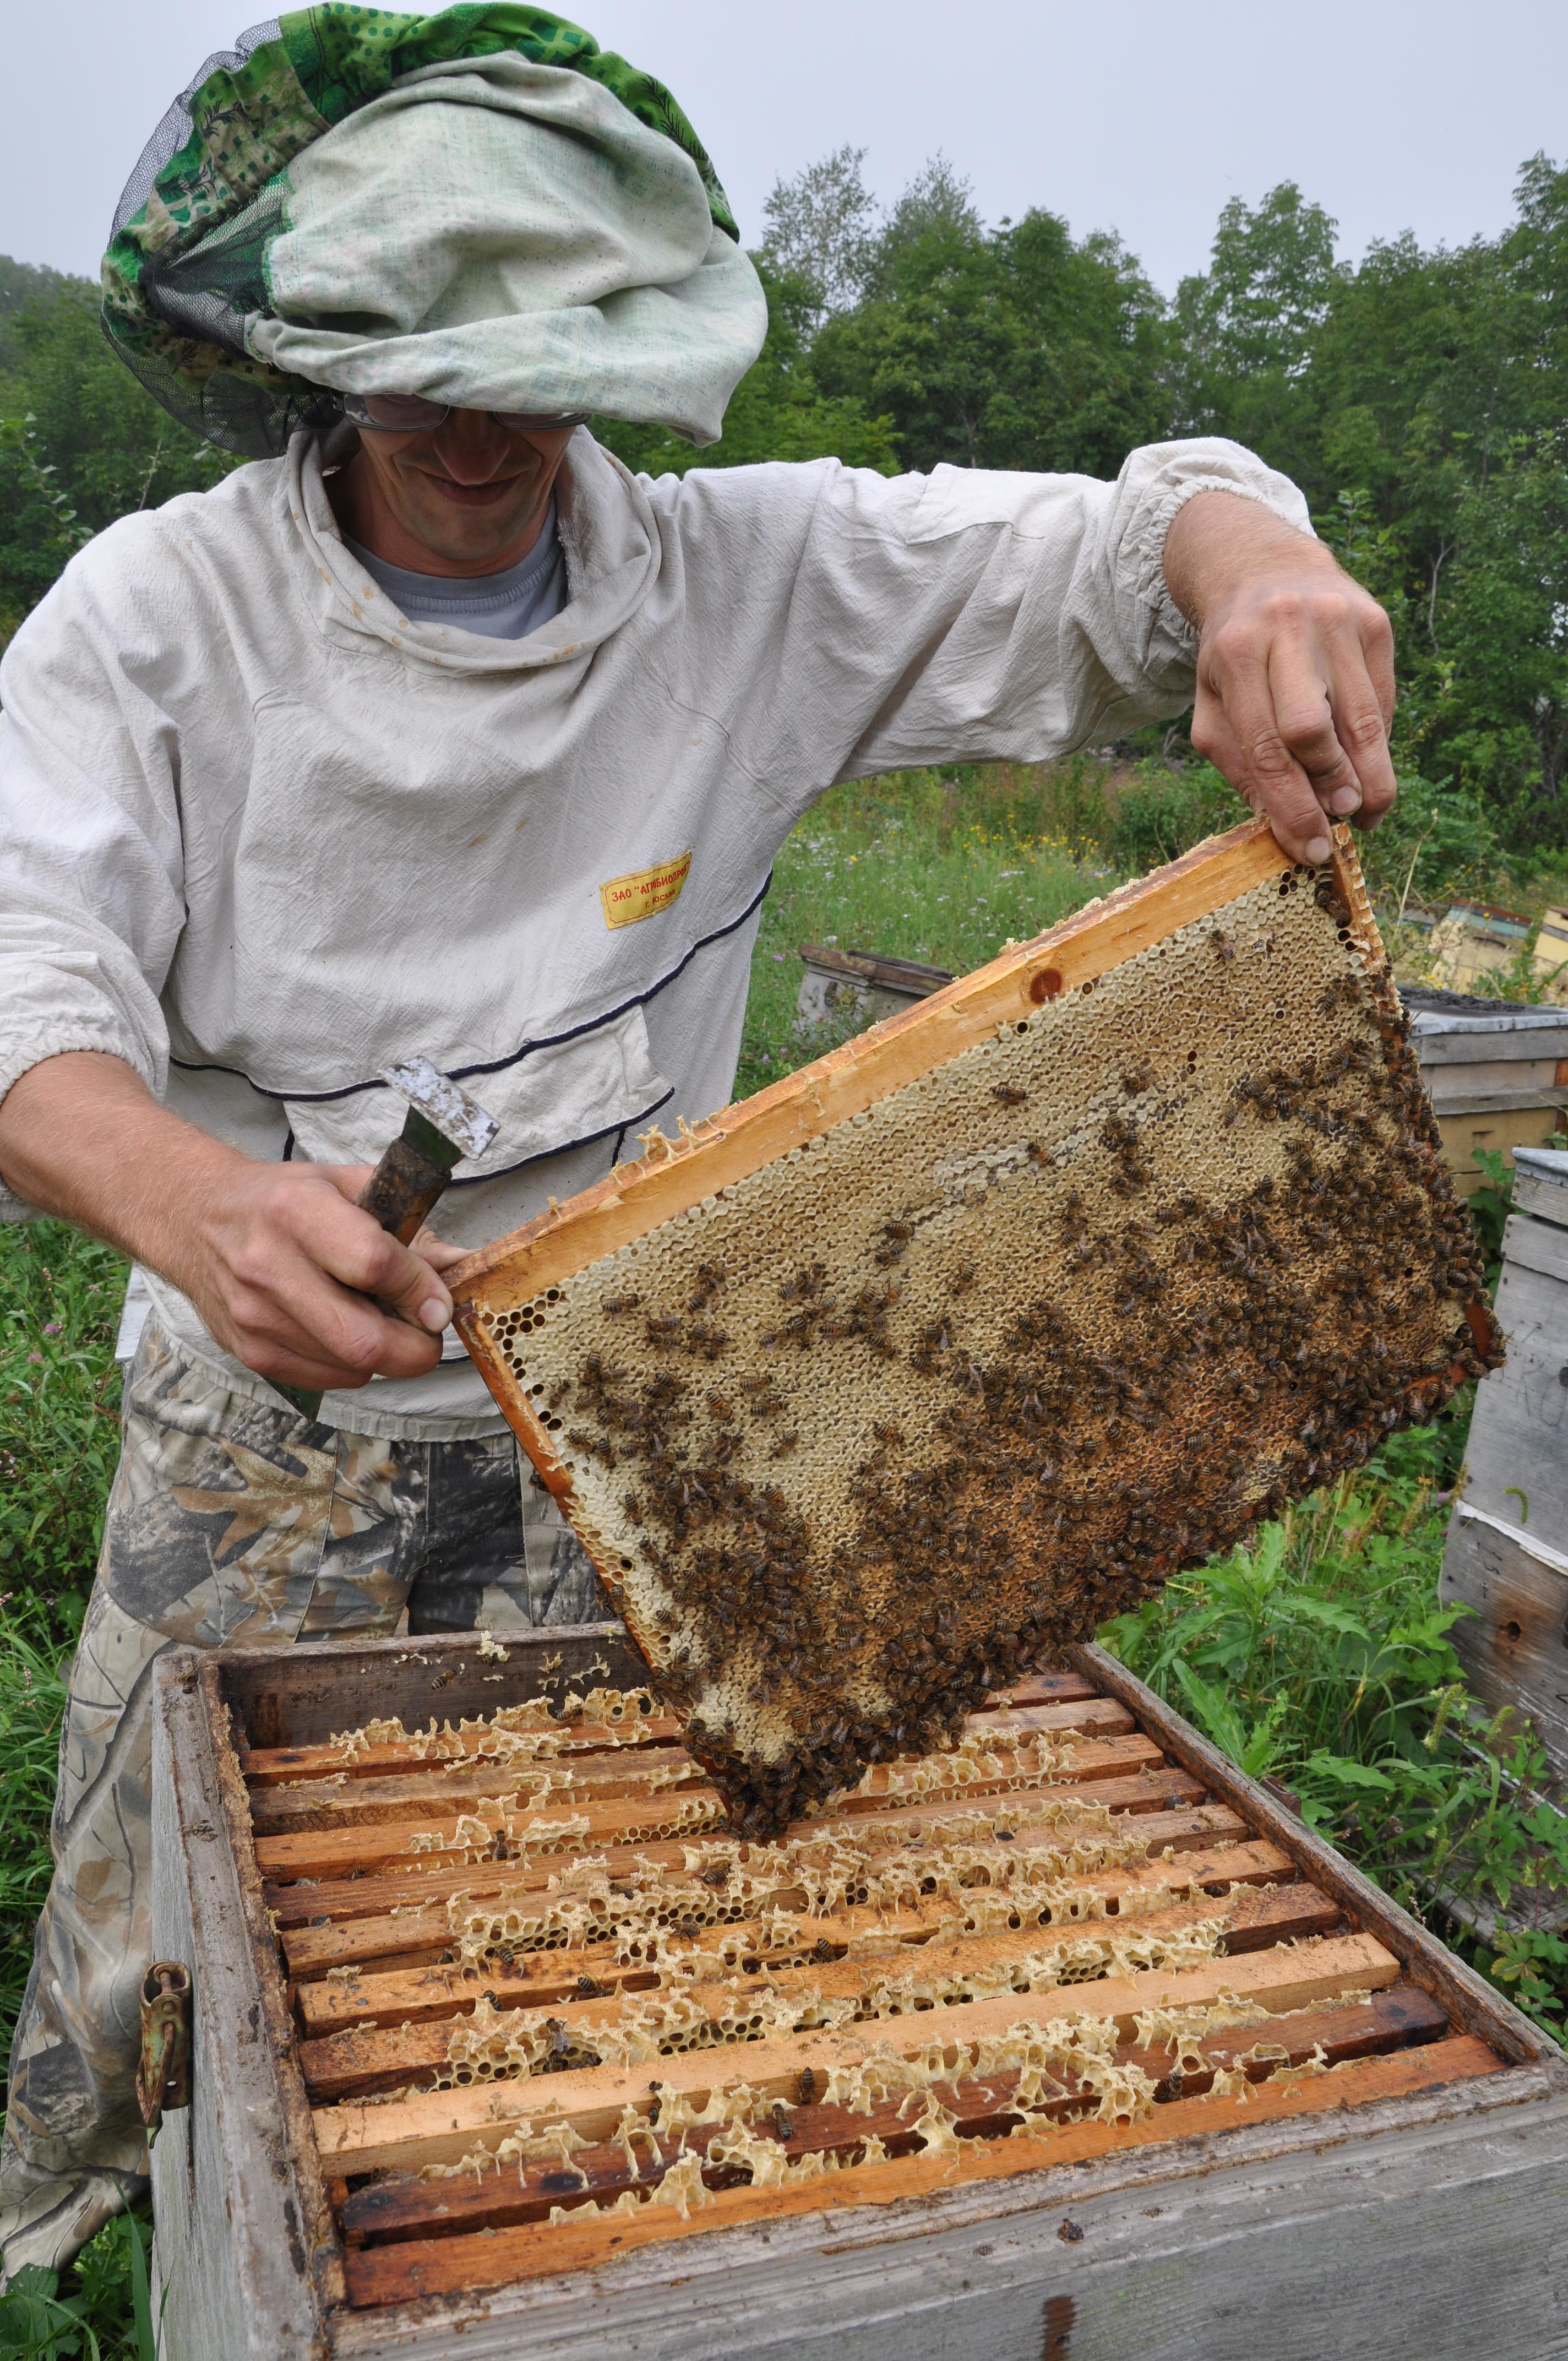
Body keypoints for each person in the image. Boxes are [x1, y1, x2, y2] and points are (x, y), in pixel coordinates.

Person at [0, 6, 1397, 2282]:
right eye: (421, 355)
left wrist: (1251, 576)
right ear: (310, 345)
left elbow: (1127, 539)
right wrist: (195, 1204)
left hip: (635, 1442)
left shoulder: (745, 585)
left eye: (540, 353)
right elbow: (22, 988)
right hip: (259, 1440)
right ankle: (79, 2267)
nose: (484, 418)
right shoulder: (155, 627)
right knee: (147, 1946)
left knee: (540, 1949)